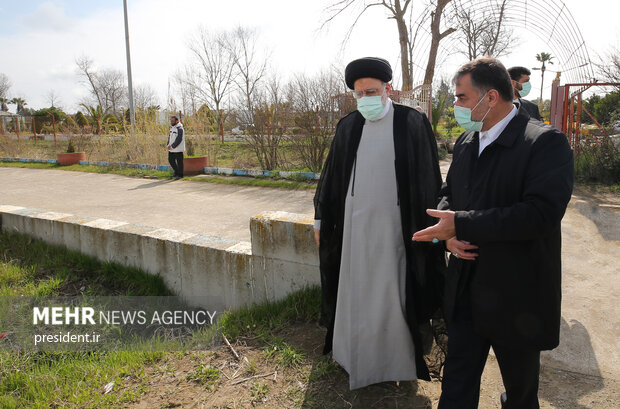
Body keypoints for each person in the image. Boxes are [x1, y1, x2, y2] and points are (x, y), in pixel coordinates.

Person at [412, 57, 574, 409]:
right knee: (457, 384)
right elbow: (449, 194)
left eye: (461, 97)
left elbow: (539, 215)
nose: (455, 105)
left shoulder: (545, 144)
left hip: (517, 294)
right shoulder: (468, 142)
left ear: (491, 98)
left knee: (520, 391)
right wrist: (447, 235)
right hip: (467, 288)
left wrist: (462, 223)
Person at [313, 57, 445, 390]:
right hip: (354, 233)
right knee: (355, 291)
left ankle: (393, 362)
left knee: (393, 293)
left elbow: (429, 179)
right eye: (359, 94)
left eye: (371, 91)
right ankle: (352, 355)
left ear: (388, 89)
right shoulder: (348, 126)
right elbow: (330, 180)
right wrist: (321, 219)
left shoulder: (411, 122)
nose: (365, 99)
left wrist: (430, 230)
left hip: (396, 232)